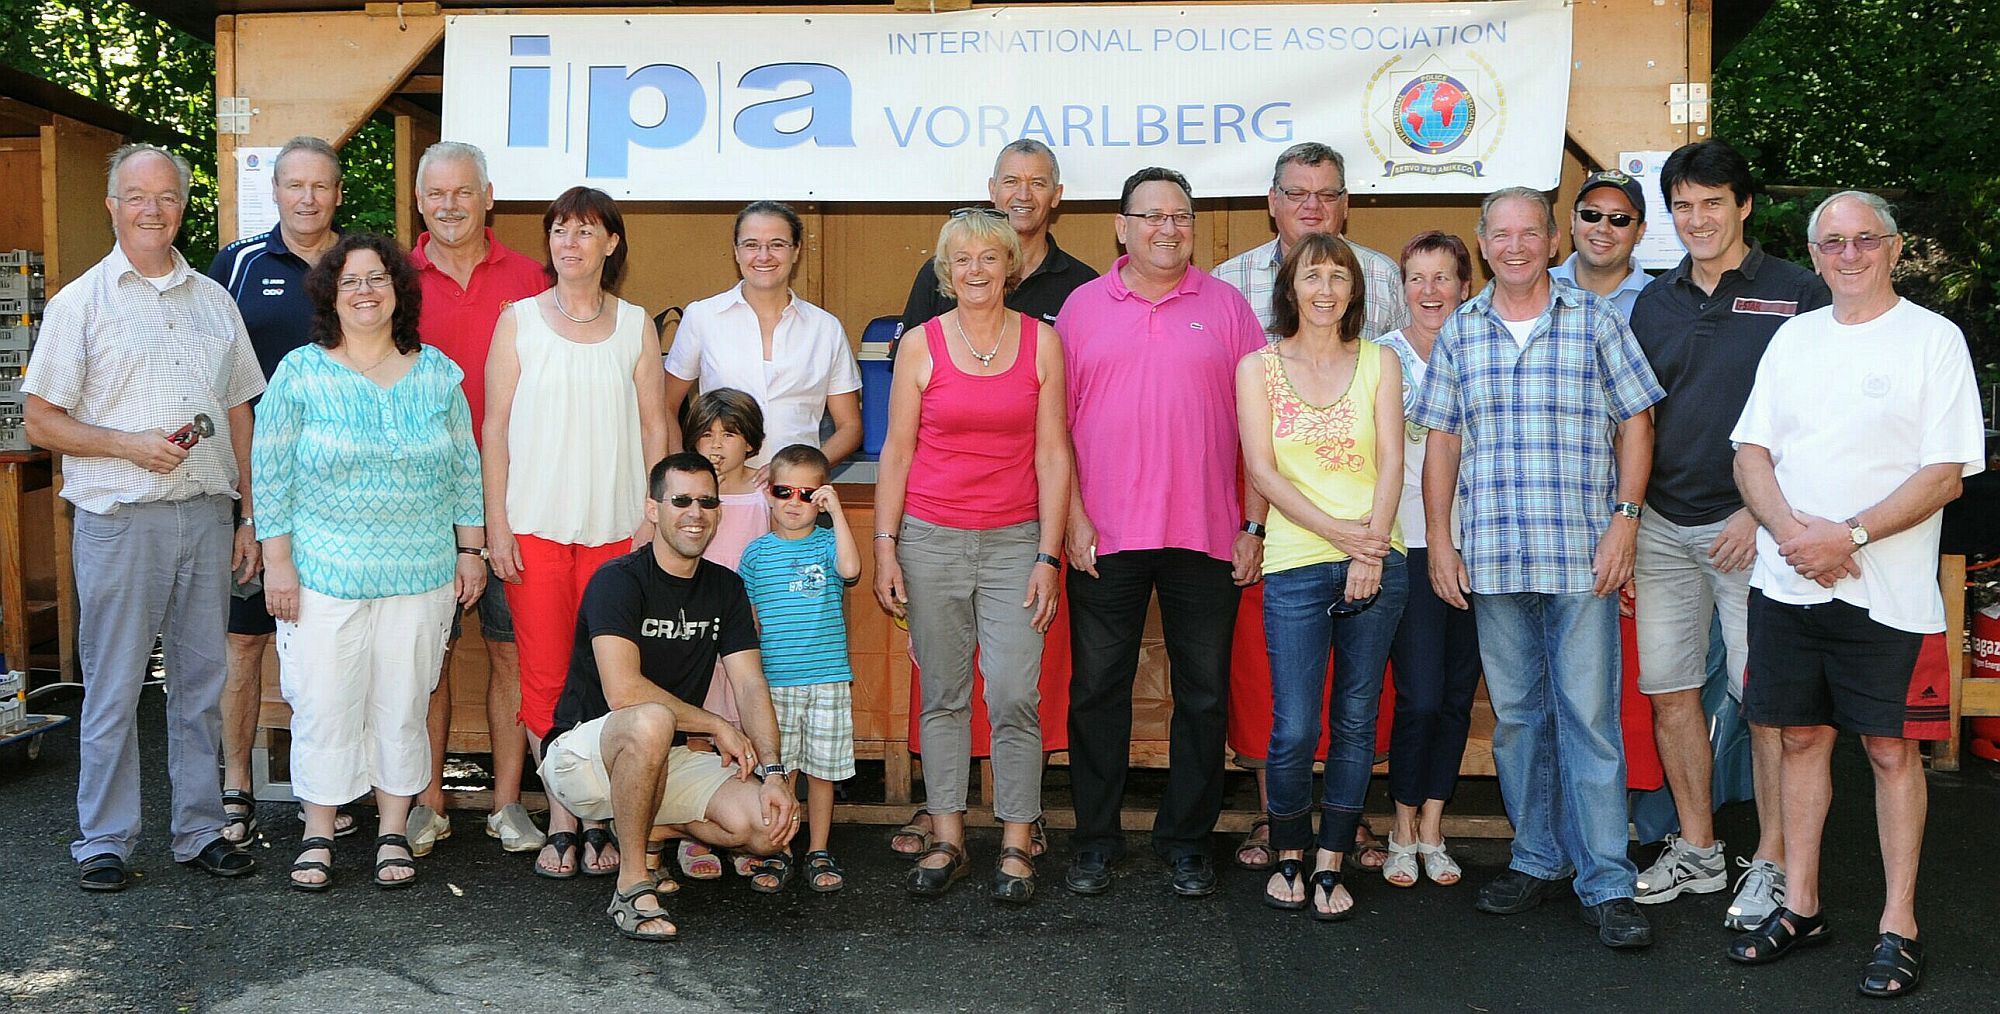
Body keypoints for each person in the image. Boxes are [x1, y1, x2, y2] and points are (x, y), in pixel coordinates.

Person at [1726, 190, 1983, 998]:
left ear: (1895, 248)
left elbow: (1944, 474)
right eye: (1832, 243)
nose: (1849, 255)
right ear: (1814, 255)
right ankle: (1801, 905)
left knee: (1890, 750)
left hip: (1889, 594)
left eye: (1864, 240)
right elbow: (1750, 453)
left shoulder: (1933, 341)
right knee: (1800, 739)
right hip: (1789, 583)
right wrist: (1793, 535)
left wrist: (1851, 536)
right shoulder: (1793, 339)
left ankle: (1899, 924)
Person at [1409, 187, 1664, 949]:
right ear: (1483, 244)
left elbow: (1638, 421)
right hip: (1493, 555)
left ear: (1553, 242)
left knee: (1589, 719)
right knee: (1519, 721)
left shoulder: (1595, 320)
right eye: (1501, 234)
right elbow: (1443, 440)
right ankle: (1536, 858)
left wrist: (1626, 522)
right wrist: (1440, 540)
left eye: (1529, 233)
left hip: (1582, 554)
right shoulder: (1462, 328)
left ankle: (1607, 881)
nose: (1515, 246)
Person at [23, 143, 263, 891]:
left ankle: (200, 830)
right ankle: (104, 839)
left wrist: (250, 515)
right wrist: (128, 445)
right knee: (115, 686)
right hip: (120, 519)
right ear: (112, 206)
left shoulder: (214, 301)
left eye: (165, 196)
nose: (152, 210)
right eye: (136, 196)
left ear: (182, 206)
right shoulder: (80, 303)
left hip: (207, 515)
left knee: (201, 684)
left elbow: (239, 410)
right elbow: (40, 420)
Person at [1625, 140, 1829, 927]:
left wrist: (1759, 510)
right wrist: (1630, 520)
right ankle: (1701, 850)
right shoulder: (1654, 299)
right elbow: (1636, 421)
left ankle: (1773, 862)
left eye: (1713, 202)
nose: (1698, 219)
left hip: (1755, 531)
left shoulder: (1799, 292)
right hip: (1663, 527)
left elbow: (1818, 420)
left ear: (1744, 205)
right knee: (1671, 693)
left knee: (1766, 703)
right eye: (1683, 205)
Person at [252, 233, 484, 891]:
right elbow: (270, 472)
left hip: (421, 574)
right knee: (324, 703)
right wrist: (278, 563)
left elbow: (466, 471)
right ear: (330, 294)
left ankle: (392, 832)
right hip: (324, 575)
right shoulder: (300, 372)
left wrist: (471, 551)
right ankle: (319, 834)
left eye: (377, 278)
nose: (364, 291)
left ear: (398, 291)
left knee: (402, 703)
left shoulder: (438, 374)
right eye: (350, 280)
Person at [1058, 168, 1265, 898]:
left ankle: (1187, 842)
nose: (1167, 229)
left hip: (1206, 534)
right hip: (1104, 536)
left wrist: (1253, 524)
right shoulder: (1081, 308)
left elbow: (1260, 432)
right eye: (1151, 216)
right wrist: (1072, 517)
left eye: (1180, 216)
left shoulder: (1229, 307)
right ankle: (1095, 840)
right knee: (1097, 692)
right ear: (1122, 227)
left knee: (1203, 695)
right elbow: (1054, 429)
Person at [1215, 140, 1409, 873]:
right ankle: (1288, 839)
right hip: (1296, 550)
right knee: (1293, 723)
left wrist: (1371, 546)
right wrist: (1336, 536)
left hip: (1375, 550)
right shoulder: (1253, 351)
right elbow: (1260, 466)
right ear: (1288, 287)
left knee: (1356, 719)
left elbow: (1391, 455)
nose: (1324, 289)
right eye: (1310, 276)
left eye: (1337, 277)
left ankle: (1333, 852)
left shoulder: (1381, 347)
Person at [875, 208, 1071, 901]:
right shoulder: (920, 345)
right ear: (946, 271)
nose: (977, 270)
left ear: (1009, 266)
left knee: (1015, 692)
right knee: (944, 694)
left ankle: (1017, 839)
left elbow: (1054, 454)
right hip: (931, 539)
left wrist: (1049, 555)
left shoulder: (1042, 342)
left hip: (1017, 541)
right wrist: (886, 545)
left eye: (990, 257)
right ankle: (948, 837)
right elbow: (896, 452)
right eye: (963, 259)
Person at [483, 186, 669, 879]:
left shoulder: (636, 325)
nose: (570, 242)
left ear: (611, 244)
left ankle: (600, 819)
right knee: (544, 677)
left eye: (586, 231)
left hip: (618, 532)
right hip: (533, 528)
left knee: (606, 677)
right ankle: (564, 819)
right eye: (560, 230)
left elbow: (655, 427)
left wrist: (652, 518)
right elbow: (494, 429)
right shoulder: (518, 321)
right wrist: (497, 524)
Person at [539, 452, 799, 940]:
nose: (695, 513)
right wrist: (716, 724)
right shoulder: (618, 580)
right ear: (653, 509)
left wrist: (774, 773)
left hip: (663, 757)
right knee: (651, 717)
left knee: (768, 828)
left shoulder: (726, 587)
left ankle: (650, 828)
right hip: (584, 755)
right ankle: (632, 884)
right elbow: (623, 691)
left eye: (707, 502)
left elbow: (749, 683)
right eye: (681, 501)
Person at [405, 140, 553, 857]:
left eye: (463, 192)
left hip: (512, 496)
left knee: (508, 653)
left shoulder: (531, 278)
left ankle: (507, 805)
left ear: (488, 197)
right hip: (420, 502)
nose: (450, 205)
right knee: (427, 658)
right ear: (419, 202)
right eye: (436, 194)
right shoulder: (392, 281)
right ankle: (426, 803)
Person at [206, 135, 346, 846]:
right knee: (243, 642)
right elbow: (212, 379)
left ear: (338, 194)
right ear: (276, 191)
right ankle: (235, 785)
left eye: (320, 185)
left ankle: (333, 787)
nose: (307, 198)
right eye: (295, 184)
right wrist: (245, 506)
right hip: (255, 492)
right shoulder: (237, 264)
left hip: (343, 500)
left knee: (333, 645)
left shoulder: (365, 265)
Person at [1371, 231, 1482, 888]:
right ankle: (1401, 825)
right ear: (1402, 288)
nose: (1430, 290)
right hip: (1406, 543)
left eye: (1443, 277)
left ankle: (1434, 827)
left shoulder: (1486, 348)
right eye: (1417, 277)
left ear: (1466, 286)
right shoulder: (1380, 358)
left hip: (1481, 544)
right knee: (1419, 694)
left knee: (1456, 694)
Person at [738, 444, 862, 893]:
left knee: (822, 773)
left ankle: (818, 849)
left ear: (822, 498)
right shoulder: (755, 554)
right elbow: (748, 621)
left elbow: (851, 569)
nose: (795, 502)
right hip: (775, 681)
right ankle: (780, 849)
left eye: (808, 494)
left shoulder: (829, 544)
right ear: (768, 493)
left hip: (827, 679)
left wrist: (838, 512)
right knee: (781, 771)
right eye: (784, 491)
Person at [665, 201, 862, 473]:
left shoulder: (825, 328)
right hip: (722, 489)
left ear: (796, 251)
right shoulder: (702, 317)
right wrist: (688, 474)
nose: (764, 255)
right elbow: (665, 406)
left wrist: (802, 471)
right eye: (751, 245)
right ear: (736, 252)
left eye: (777, 244)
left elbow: (850, 426)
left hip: (796, 493)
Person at [676, 386, 770, 880]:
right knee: (698, 727)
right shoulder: (687, 494)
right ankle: (696, 832)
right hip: (695, 628)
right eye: (706, 435)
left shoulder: (765, 492)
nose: (716, 446)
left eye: (729, 435)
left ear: (751, 441)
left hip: (747, 631)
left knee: (745, 726)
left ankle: (743, 828)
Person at [897, 138, 1098, 335]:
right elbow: (908, 353)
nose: (1024, 195)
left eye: (1037, 183)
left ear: (1056, 194)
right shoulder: (944, 271)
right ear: (993, 190)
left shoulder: (1083, 284)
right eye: (1011, 182)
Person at [1213, 141, 1409, 342]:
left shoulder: (1383, 275)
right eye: (1297, 194)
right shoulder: (1229, 280)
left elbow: (1410, 357)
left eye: (1327, 195)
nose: (1312, 205)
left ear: (1345, 204)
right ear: (1273, 201)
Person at [1549, 170, 1652, 320]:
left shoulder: (1663, 299)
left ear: (1640, 231)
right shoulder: (1537, 288)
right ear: (1573, 220)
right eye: (1591, 214)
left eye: (1619, 218)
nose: (1603, 228)